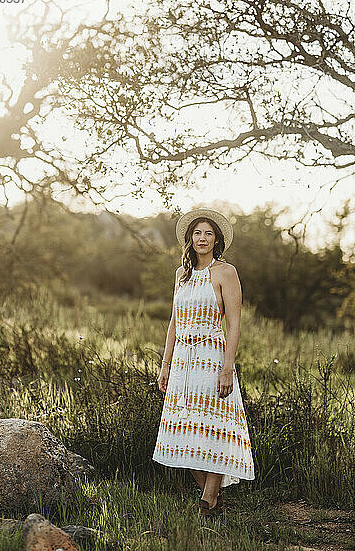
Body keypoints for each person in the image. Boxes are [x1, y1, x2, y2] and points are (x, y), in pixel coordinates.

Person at [152, 207, 255, 516]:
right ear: (190, 238)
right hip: (183, 362)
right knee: (185, 432)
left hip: (211, 357)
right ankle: (213, 497)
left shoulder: (226, 272)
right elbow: (174, 321)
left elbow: (234, 324)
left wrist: (228, 368)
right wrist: (165, 364)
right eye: (197, 232)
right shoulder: (181, 273)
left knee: (215, 428)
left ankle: (208, 502)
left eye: (208, 233)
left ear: (216, 240)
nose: (202, 238)